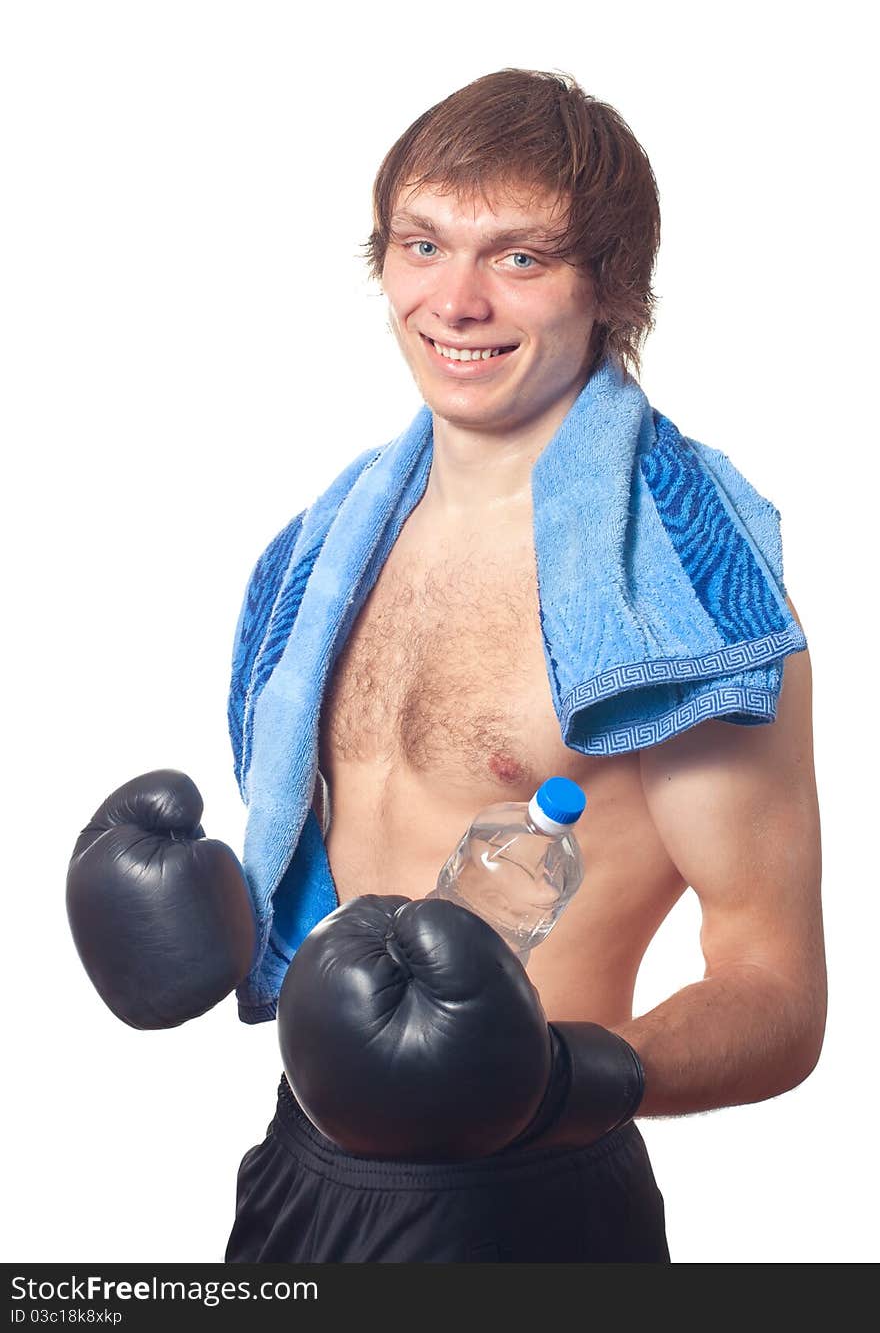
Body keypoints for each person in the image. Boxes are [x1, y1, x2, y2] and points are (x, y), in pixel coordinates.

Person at [68, 67, 825, 1264]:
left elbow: (777, 995)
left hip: (529, 1194)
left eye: (519, 258)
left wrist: (553, 1076)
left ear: (608, 286)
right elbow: (322, 871)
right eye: (423, 244)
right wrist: (207, 933)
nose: (455, 300)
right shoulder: (323, 549)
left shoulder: (680, 596)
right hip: (299, 1169)